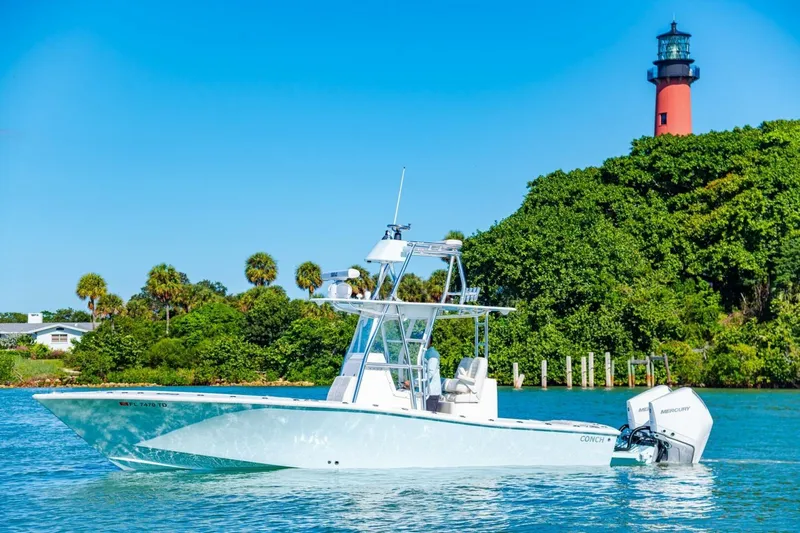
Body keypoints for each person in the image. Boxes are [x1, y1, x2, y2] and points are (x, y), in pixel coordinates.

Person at [424, 337, 442, 412]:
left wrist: (414, 383)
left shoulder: (432, 354)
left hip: (431, 393)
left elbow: (430, 373)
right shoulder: (424, 353)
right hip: (425, 392)